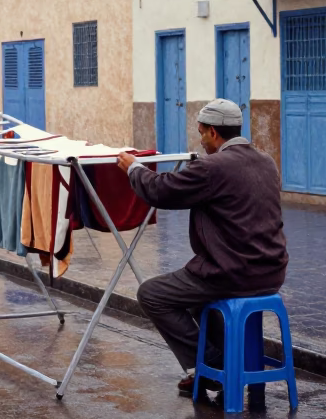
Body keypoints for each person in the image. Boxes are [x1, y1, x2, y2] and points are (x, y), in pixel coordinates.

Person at [116, 99, 288, 398]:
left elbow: (161, 190)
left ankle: (210, 365)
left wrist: (135, 169)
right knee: (198, 300)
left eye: (200, 133)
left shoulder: (212, 167)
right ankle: (216, 369)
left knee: (152, 294)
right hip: (271, 271)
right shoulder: (266, 161)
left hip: (232, 272)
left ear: (212, 133)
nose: (199, 140)